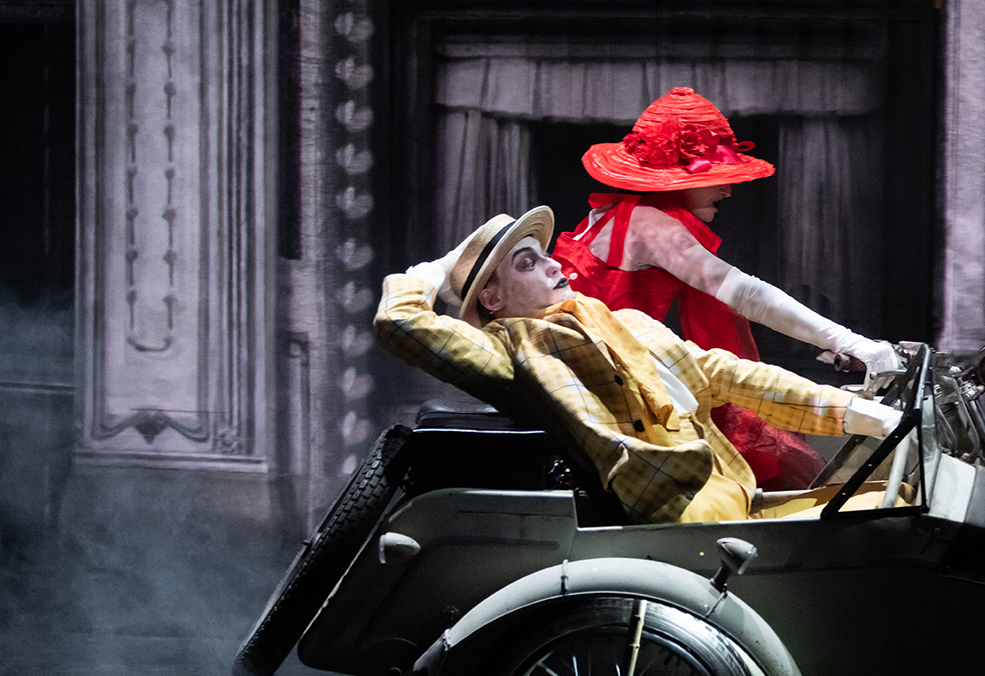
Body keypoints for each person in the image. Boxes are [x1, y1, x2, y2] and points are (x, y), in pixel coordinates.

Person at [374, 206, 902, 524]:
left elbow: (727, 375)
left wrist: (857, 414)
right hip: (681, 517)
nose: (553, 262)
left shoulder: (625, 320)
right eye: (526, 262)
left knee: (903, 497)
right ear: (491, 298)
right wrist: (442, 268)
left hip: (731, 493)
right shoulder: (512, 347)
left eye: (543, 252)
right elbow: (400, 322)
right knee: (889, 520)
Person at [548, 87, 901, 491]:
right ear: (675, 179)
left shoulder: (616, 215)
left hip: (603, 380)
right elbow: (747, 294)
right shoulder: (647, 222)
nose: (727, 190)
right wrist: (851, 342)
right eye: (716, 177)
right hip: (610, 392)